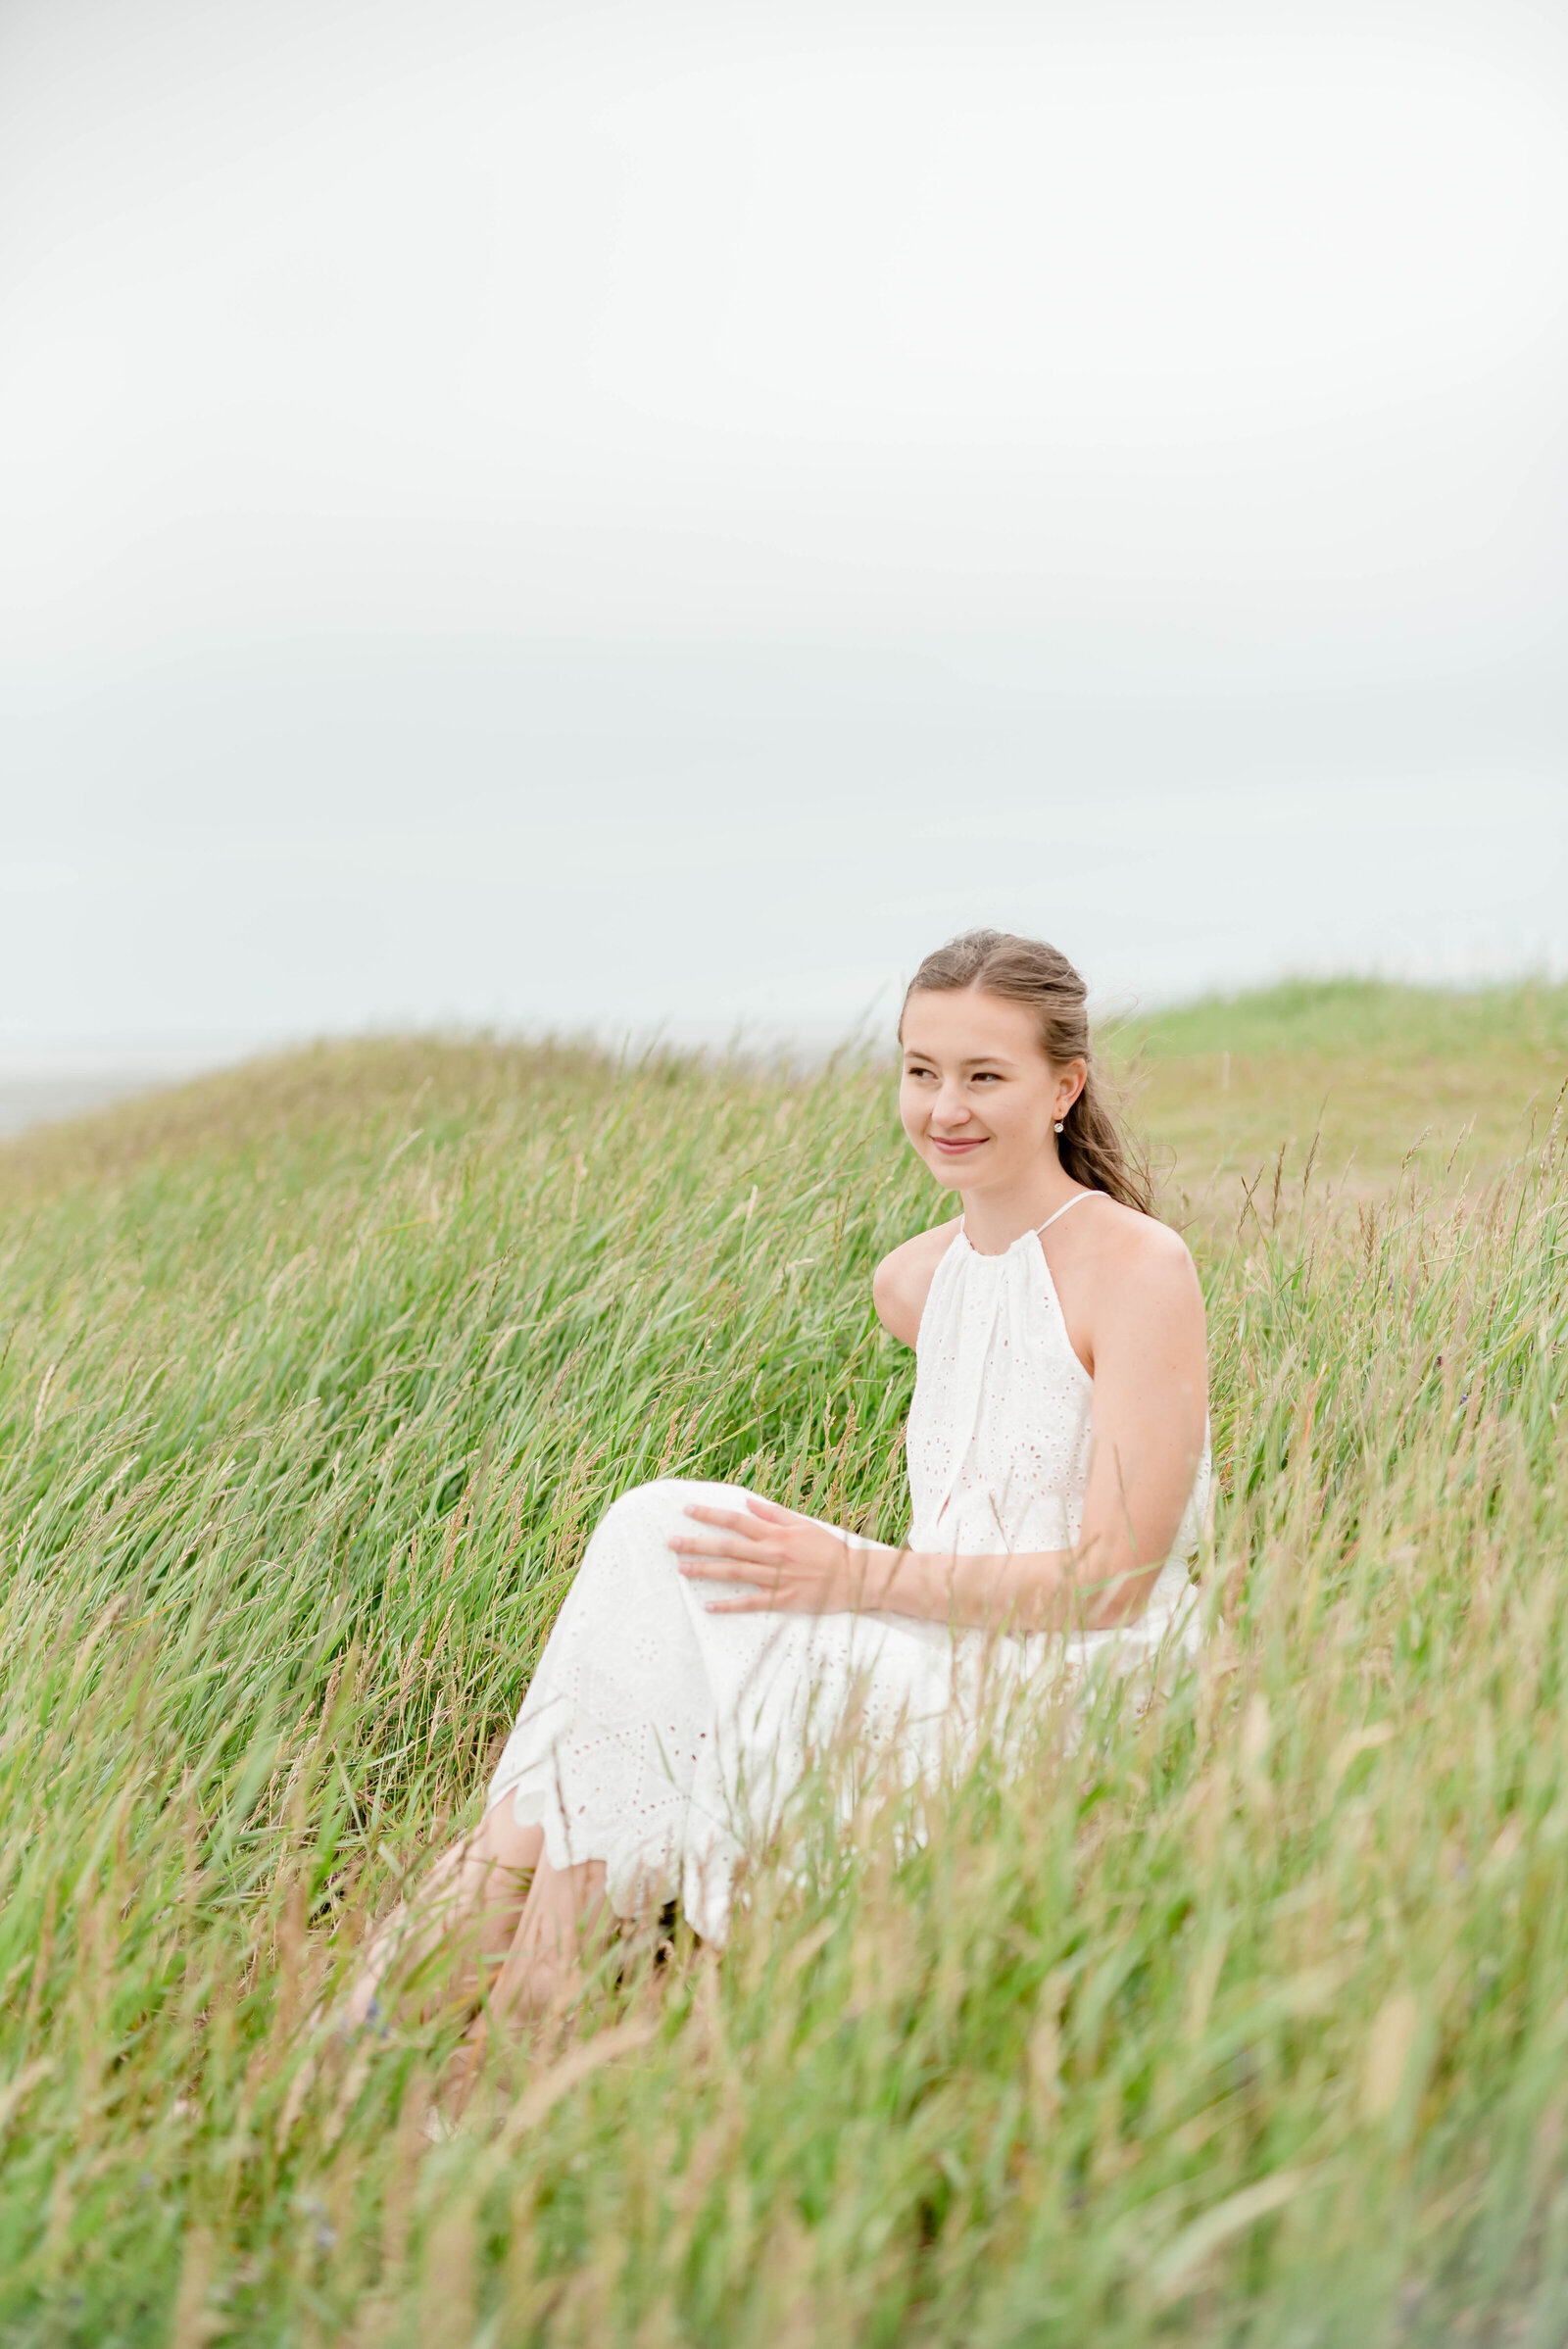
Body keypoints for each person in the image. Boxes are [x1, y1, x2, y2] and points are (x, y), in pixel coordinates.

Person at [341, 929, 1210, 2052]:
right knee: (655, 1532)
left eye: (984, 1076)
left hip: (1078, 1671)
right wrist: (863, 1586)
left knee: (656, 1565)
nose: (944, 1107)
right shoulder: (913, 1282)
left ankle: (436, 2004)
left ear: (1064, 1085)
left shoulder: (1140, 1268)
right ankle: (507, 1992)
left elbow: (1115, 1586)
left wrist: (852, 1576)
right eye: (920, 1070)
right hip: (931, 1621)